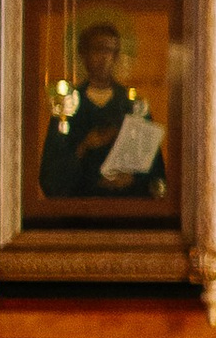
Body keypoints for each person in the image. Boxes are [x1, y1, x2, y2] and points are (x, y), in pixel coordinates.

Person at [37, 18, 167, 204]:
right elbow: (51, 177)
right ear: (83, 53)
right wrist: (84, 146)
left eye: (110, 51)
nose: (104, 57)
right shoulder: (67, 105)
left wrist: (133, 179)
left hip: (126, 210)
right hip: (80, 212)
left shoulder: (133, 106)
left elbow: (156, 174)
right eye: (98, 49)